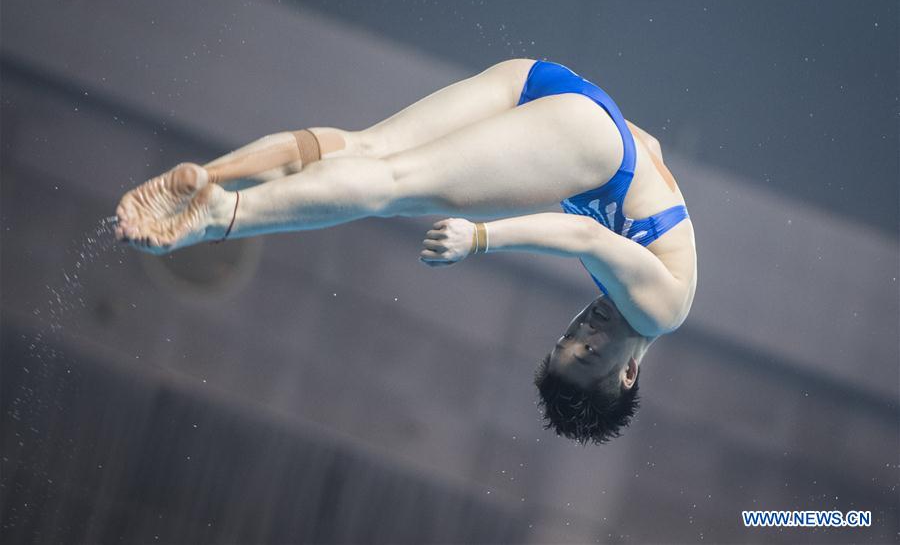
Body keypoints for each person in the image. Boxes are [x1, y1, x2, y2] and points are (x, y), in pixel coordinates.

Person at [114, 58, 697, 445]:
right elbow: (588, 236)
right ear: (627, 374)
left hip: (550, 84)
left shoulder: (643, 277)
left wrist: (593, 127)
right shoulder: (659, 312)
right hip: (591, 139)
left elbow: (652, 146)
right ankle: (222, 216)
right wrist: (480, 237)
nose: (583, 331)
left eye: (566, 342)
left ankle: (209, 178)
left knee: (363, 149)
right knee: (393, 186)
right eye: (590, 352)